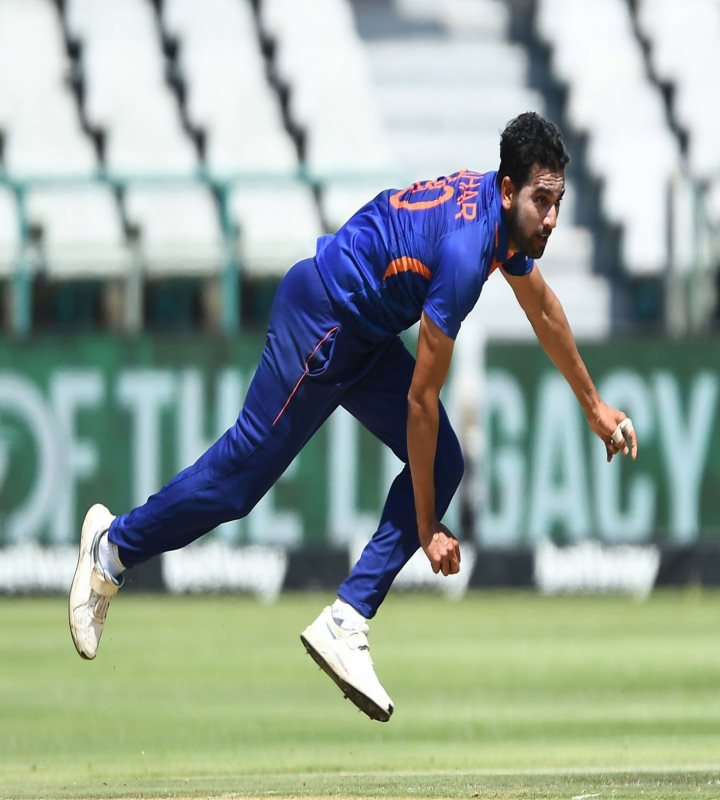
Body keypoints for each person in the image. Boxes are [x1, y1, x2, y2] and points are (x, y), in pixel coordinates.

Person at [68, 112, 637, 722]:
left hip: (362, 333)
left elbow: (544, 309)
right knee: (237, 485)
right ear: (506, 190)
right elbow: (421, 400)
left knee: (446, 462)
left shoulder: (498, 224)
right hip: (324, 322)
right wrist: (427, 528)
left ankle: (346, 620)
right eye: (541, 201)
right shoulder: (467, 253)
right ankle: (111, 548)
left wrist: (594, 405)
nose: (551, 218)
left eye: (557, 202)